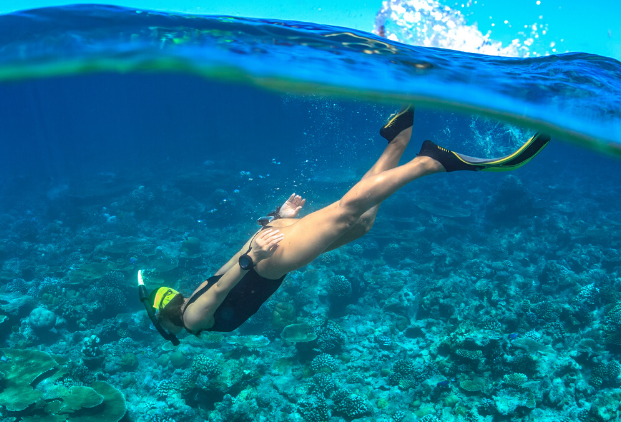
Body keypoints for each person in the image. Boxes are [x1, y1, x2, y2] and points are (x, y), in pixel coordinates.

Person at [137, 106, 550, 344]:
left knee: (346, 210)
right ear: (163, 308)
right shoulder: (191, 308)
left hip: (269, 262)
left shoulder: (192, 318)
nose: (171, 292)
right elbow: (224, 273)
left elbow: (228, 279)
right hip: (266, 254)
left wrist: (257, 251)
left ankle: (432, 161)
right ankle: (398, 142)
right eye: (164, 294)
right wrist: (271, 229)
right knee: (361, 224)